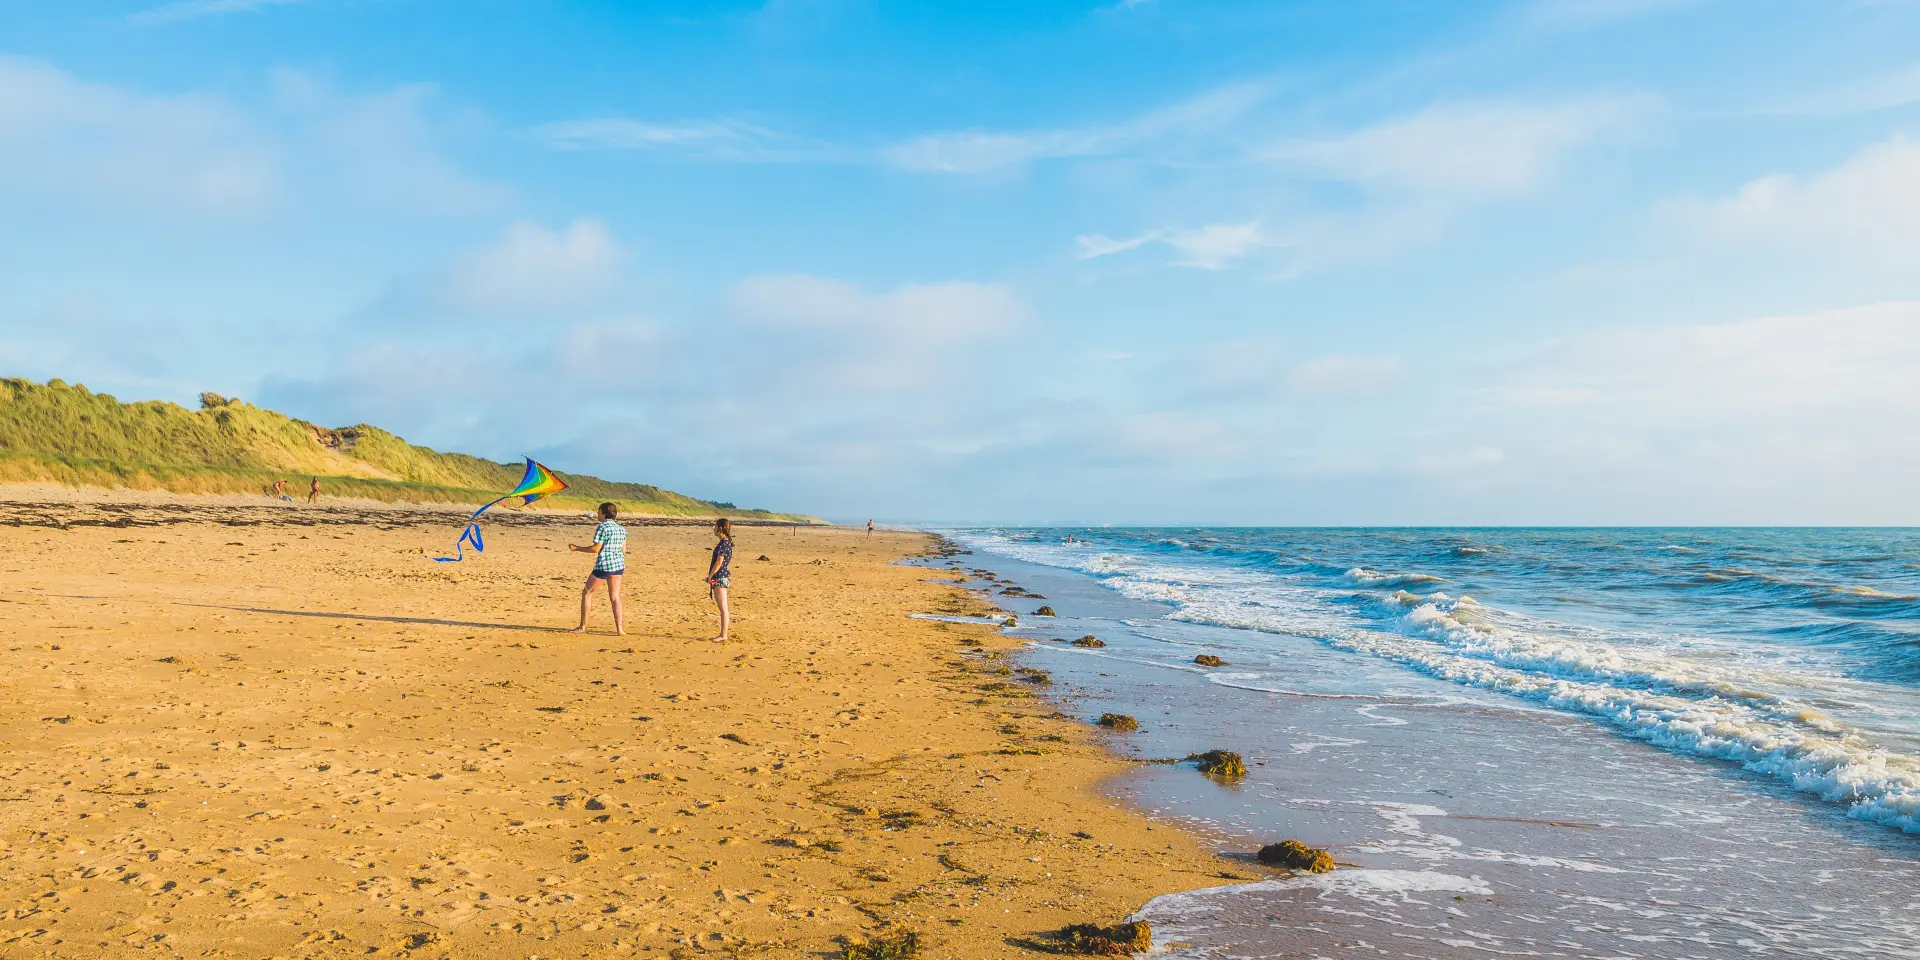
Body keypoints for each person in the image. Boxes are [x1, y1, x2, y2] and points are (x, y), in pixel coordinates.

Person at [568, 502, 627, 635]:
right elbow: (624, 550)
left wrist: (576, 548)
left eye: (598, 511)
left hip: (604, 566)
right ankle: (620, 629)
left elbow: (595, 549)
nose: (597, 513)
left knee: (587, 593)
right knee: (615, 597)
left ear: (603, 513)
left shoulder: (602, 527)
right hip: (618, 565)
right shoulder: (621, 529)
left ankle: (583, 627)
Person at [706, 517, 733, 642]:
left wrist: (710, 576)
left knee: (723, 608)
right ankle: (723, 634)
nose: (714, 528)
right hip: (721, 576)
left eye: (715, 526)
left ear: (721, 528)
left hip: (720, 577)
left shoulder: (724, 543)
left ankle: (723, 635)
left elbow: (719, 562)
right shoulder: (725, 542)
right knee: (723, 607)